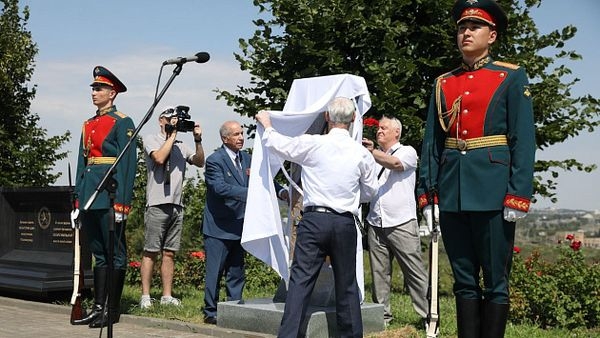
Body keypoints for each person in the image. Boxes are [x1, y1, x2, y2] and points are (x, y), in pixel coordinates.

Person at [417, 1, 535, 337]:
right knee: (463, 280)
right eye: (461, 27)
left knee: (496, 281)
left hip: (495, 191)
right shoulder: (444, 83)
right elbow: (432, 144)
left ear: (492, 35)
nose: (465, 33)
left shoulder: (511, 76)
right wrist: (427, 194)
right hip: (453, 192)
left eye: (474, 27)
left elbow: (523, 139)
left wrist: (518, 194)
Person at [256, 97, 379, 338]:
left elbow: (280, 145)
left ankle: (289, 335)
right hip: (344, 221)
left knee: (301, 282)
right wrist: (352, 197)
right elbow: (370, 191)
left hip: (314, 220)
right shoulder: (361, 153)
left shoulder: (313, 144)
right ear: (354, 119)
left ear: (326, 118)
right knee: (347, 284)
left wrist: (267, 124)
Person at [71, 66, 137, 328]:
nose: (94, 92)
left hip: (110, 195)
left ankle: (112, 309)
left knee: (115, 253)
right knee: (98, 251)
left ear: (112, 93)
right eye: (93, 88)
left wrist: (122, 202)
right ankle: (98, 308)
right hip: (90, 194)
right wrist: (77, 200)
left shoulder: (122, 122)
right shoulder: (88, 124)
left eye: (99, 89)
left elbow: (127, 165)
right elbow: (81, 162)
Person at [361, 116, 429, 327]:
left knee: (414, 272)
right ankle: (382, 318)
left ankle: (428, 316)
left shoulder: (407, 151)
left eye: (384, 128)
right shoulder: (373, 157)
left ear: (396, 132)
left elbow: (395, 164)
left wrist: (371, 152)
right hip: (376, 221)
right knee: (379, 274)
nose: (379, 131)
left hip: (401, 222)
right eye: (379, 128)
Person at [138, 106, 205, 309]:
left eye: (176, 120)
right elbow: (158, 158)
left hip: (177, 204)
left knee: (169, 252)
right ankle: (146, 296)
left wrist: (197, 140)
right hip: (157, 203)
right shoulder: (151, 139)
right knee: (150, 251)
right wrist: (172, 134)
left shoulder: (181, 144)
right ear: (161, 121)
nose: (173, 122)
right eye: (170, 119)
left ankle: (167, 296)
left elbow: (200, 162)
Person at [200, 120, 251, 325]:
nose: (241, 137)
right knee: (215, 272)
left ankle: (234, 308)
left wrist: (281, 191)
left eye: (242, 133)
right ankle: (210, 311)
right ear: (225, 138)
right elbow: (219, 188)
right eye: (236, 134)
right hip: (219, 227)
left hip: (240, 224)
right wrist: (250, 193)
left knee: (237, 270)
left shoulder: (247, 158)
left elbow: (262, 179)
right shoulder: (215, 160)